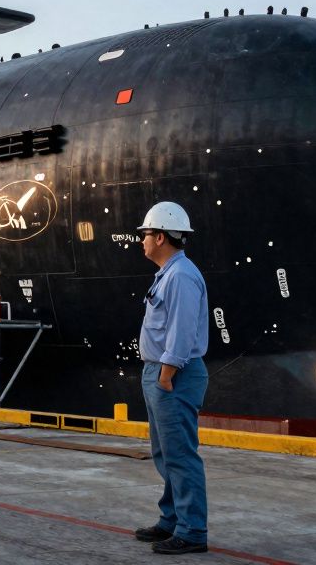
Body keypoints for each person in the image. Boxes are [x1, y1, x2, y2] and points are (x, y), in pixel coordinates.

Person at [132, 201, 210, 555]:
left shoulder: (180, 276)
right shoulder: (169, 273)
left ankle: (192, 530)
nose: (142, 241)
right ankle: (172, 519)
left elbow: (181, 330)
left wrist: (165, 375)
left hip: (173, 375)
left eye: (145, 234)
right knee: (165, 453)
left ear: (160, 236)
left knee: (180, 454)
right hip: (162, 373)